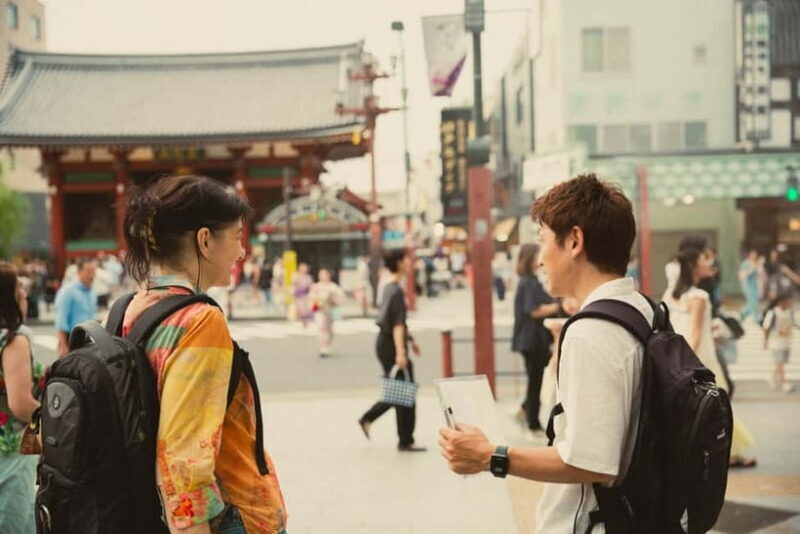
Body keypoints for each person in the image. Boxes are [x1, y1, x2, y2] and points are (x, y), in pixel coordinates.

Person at [439, 174, 653, 533]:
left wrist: (490, 455)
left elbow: (593, 461)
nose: (540, 259)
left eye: (542, 242)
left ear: (574, 241)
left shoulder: (591, 332)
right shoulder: (643, 309)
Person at [120, 175, 286, 533]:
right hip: (230, 515)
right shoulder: (200, 321)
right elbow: (185, 459)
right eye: (237, 237)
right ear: (205, 240)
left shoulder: (132, 308)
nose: (242, 251)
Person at [663, 246, 757, 468]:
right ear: (694, 265)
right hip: (701, 359)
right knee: (718, 407)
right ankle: (728, 453)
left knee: (695, 408)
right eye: (704, 260)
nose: (709, 263)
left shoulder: (672, 295)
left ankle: (700, 452)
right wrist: (691, 362)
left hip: (681, 357)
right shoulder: (699, 296)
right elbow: (695, 333)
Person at [358, 249, 424, 452]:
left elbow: (399, 322)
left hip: (386, 343)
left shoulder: (389, 287)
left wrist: (410, 340)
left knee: (401, 390)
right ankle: (405, 439)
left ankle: (373, 421)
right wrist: (401, 353)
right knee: (405, 392)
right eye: (406, 259)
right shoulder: (395, 290)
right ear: (398, 262)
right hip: (391, 344)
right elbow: (396, 325)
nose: (409, 262)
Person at [0, 261, 45, 534]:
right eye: (19, 287)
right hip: (15, 448)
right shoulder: (13, 340)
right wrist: (54, 421)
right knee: (17, 521)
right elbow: (20, 404)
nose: (25, 294)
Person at [511, 243, 561, 437]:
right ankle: (532, 421)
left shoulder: (528, 281)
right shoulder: (529, 282)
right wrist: (557, 307)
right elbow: (533, 310)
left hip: (530, 339)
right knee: (535, 380)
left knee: (535, 378)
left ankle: (525, 410)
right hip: (533, 339)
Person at [54, 258, 98, 357]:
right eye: (88, 271)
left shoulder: (92, 292)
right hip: (71, 338)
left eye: (93, 271)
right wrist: (63, 345)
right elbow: (61, 320)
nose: (91, 275)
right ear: (79, 272)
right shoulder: (67, 292)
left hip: (87, 338)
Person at [763, 292, 796, 393]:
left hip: (786, 342)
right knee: (780, 363)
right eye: (789, 300)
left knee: (779, 363)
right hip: (776, 342)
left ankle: (772, 378)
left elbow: (794, 324)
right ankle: (784, 383)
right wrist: (765, 341)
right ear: (781, 302)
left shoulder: (790, 312)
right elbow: (766, 327)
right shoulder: (773, 313)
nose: (791, 302)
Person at [310, 268, 345, 358]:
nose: (323, 276)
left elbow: (341, 299)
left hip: (330, 310)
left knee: (329, 329)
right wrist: (316, 301)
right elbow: (311, 298)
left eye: (325, 274)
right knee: (321, 328)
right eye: (321, 274)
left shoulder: (333, 287)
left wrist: (332, 299)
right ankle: (323, 347)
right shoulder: (316, 286)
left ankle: (328, 345)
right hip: (319, 310)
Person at [739, 249, 763, 322]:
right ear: (749, 254)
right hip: (748, 285)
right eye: (753, 254)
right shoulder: (746, 263)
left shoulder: (756, 263)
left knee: (754, 301)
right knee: (752, 301)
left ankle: (743, 313)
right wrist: (752, 269)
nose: (754, 256)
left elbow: (759, 275)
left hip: (754, 285)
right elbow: (742, 275)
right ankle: (756, 317)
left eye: (755, 254)